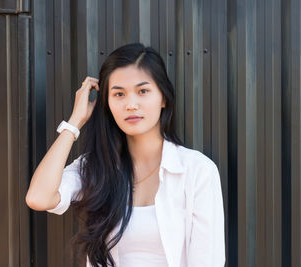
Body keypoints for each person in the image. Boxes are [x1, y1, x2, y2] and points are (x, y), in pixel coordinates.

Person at [25, 43, 225, 267]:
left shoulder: (197, 170)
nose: (131, 104)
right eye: (119, 94)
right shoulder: (96, 166)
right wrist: (75, 122)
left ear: (164, 98)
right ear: (107, 104)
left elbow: (208, 260)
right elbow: (38, 198)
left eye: (143, 91)